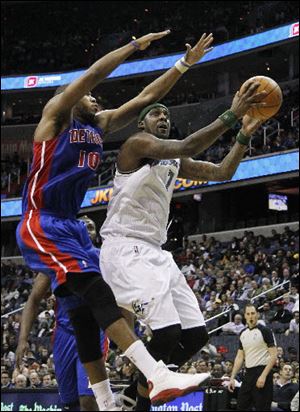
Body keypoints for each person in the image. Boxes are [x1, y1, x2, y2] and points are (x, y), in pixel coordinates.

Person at [16, 31, 215, 410]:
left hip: (71, 226)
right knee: (97, 291)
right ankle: (155, 374)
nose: (95, 98)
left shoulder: (98, 126)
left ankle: (107, 402)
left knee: (86, 312)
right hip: (41, 221)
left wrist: (183, 64)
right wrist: (134, 47)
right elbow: (91, 76)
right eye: (89, 96)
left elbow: (145, 99)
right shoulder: (56, 119)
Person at [99, 81, 267, 410]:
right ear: (142, 124)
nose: (162, 117)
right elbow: (189, 143)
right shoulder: (135, 146)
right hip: (125, 247)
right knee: (167, 333)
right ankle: (140, 396)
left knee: (195, 335)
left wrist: (243, 135)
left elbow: (222, 172)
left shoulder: (175, 162)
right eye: (155, 114)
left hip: (156, 252)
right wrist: (233, 113)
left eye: (165, 114)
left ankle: (136, 393)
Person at [15, 216, 108, 411]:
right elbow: (32, 300)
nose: (87, 228)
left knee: (88, 399)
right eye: (82, 225)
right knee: (70, 402)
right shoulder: (56, 261)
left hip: (95, 331)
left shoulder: (104, 258)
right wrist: (22, 340)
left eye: (91, 226)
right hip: (64, 334)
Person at [228, 304, 278, 411]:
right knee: (241, 406)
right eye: (248, 314)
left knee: (262, 408)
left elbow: (274, 356)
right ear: (245, 316)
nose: (251, 316)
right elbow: (239, 357)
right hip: (248, 374)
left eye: (253, 313)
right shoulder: (243, 333)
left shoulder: (265, 331)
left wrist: (263, 376)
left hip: (263, 371)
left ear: (257, 315)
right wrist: (232, 377)